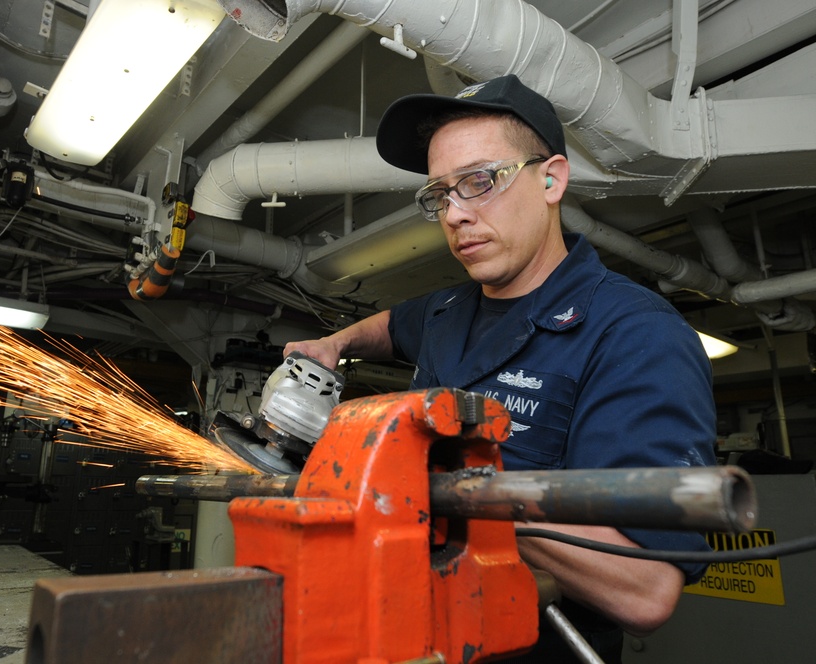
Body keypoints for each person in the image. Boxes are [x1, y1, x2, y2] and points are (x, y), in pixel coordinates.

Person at [285, 75, 716, 662]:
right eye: (440, 194)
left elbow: (646, 590)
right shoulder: (448, 309)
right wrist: (336, 342)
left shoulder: (637, 335)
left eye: (479, 181)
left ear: (551, 179)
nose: (456, 215)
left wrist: (456, 492)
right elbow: (392, 326)